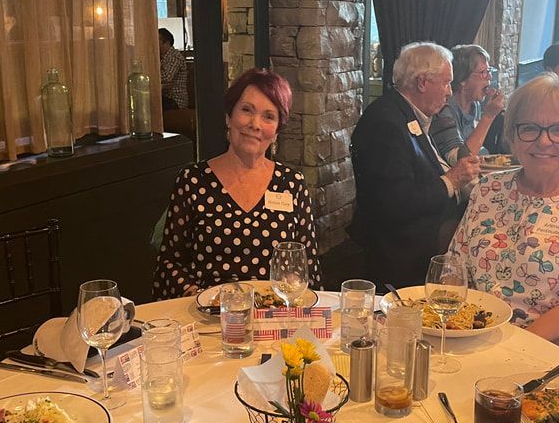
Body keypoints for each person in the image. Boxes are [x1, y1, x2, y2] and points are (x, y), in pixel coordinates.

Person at [447, 73, 559, 364]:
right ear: (512, 136)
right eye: (529, 128)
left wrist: (510, 349)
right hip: (475, 340)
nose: (544, 141)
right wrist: (456, 330)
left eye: (558, 130)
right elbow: (454, 266)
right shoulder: (488, 189)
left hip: (558, 353)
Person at [153, 68, 320, 298]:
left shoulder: (292, 184)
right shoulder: (193, 181)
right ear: (228, 117)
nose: (255, 124)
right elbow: (169, 263)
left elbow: (308, 264)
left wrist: (293, 289)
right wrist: (198, 297)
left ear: (277, 130)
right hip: (209, 318)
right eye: (246, 110)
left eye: (268, 116)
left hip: (273, 316)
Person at [349, 42, 481, 289]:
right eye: (445, 82)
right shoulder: (385, 123)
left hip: (427, 239)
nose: (450, 92)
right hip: (403, 256)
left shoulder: (410, 114)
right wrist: (452, 180)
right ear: (422, 83)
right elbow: (396, 203)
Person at [429, 44, 505, 164]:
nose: (489, 76)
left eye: (488, 71)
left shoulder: (474, 105)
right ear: (462, 79)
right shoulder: (443, 109)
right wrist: (488, 117)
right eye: (482, 72)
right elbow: (460, 161)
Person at [159, 28, 189, 110]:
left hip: (175, 101)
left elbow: (167, 77)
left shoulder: (174, 56)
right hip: (168, 98)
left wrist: (150, 74)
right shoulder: (164, 57)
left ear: (166, 42)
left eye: (157, 40)